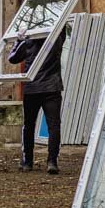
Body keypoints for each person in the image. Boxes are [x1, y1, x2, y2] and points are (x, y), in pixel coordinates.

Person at [8, 27, 66, 174]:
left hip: (33, 89)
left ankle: (28, 162)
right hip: (51, 88)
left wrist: (18, 40)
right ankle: (52, 162)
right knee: (53, 126)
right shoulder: (55, 40)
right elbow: (62, 29)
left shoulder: (28, 42)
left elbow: (12, 58)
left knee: (29, 125)